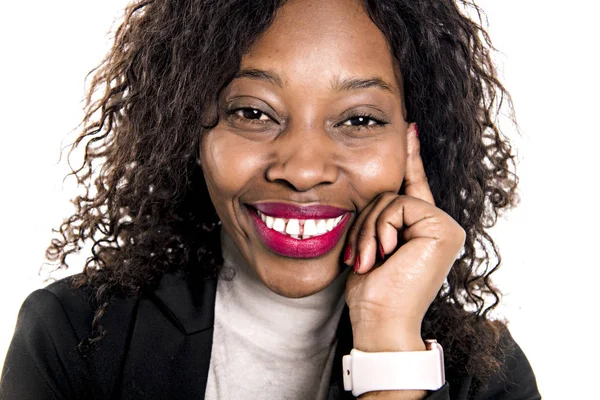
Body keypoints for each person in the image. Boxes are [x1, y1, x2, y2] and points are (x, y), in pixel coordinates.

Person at [0, 0, 541, 398]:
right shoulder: (72, 337)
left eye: (358, 119)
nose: (303, 170)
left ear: (413, 142)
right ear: (192, 132)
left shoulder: (486, 379)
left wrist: (389, 348)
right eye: (253, 113)